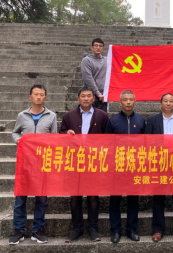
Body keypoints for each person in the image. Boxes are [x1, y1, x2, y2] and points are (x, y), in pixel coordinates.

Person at [59, 87, 109, 243]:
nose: (86, 98)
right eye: (83, 96)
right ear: (78, 98)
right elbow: (61, 134)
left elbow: (108, 138)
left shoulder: (102, 115)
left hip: (94, 161)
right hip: (75, 161)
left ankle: (93, 228)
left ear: (93, 98)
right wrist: (66, 134)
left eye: (89, 96)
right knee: (75, 196)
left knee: (93, 195)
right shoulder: (69, 116)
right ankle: (77, 229)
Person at [9, 85, 57, 245]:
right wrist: (18, 140)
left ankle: (38, 230)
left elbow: (54, 137)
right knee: (20, 198)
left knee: (42, 198)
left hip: (42, 163)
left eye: (42, 94)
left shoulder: (51, 116)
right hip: (25, 162)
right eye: (36, 94)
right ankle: (18, 231)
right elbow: (15, 132)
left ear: (45, 97)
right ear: (30, 96)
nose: (39, 97)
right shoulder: (22, 116)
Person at [144, 93, 173, 242]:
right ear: (161, 103)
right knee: (158, 197)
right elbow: (147, 142)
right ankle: (158, 230)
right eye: (165, 101)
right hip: (159, 163)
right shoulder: (152, 120)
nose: (168, 103)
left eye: (171, 101)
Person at [105, 90, 146, 243]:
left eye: (130, 99)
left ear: (135, 102)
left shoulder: (141, 120)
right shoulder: (113, 121)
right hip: (117, 166)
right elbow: (107, 144)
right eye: (125, 99)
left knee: (133, 200)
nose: (128, 102)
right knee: (114, 201)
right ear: (120, 102)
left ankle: (131, 229)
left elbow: (146, 144)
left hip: (134, 166)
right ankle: (115, 231)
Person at [81, 38, 108, 111]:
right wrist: (98, 93)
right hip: (91, 94)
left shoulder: (106, 60)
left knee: (103, 117)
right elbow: (88, 79)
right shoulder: (87, 60)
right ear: (92, 47)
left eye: (100, 46)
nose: (98, 47)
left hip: (103, 95)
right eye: (96, 45)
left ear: (103, 48)